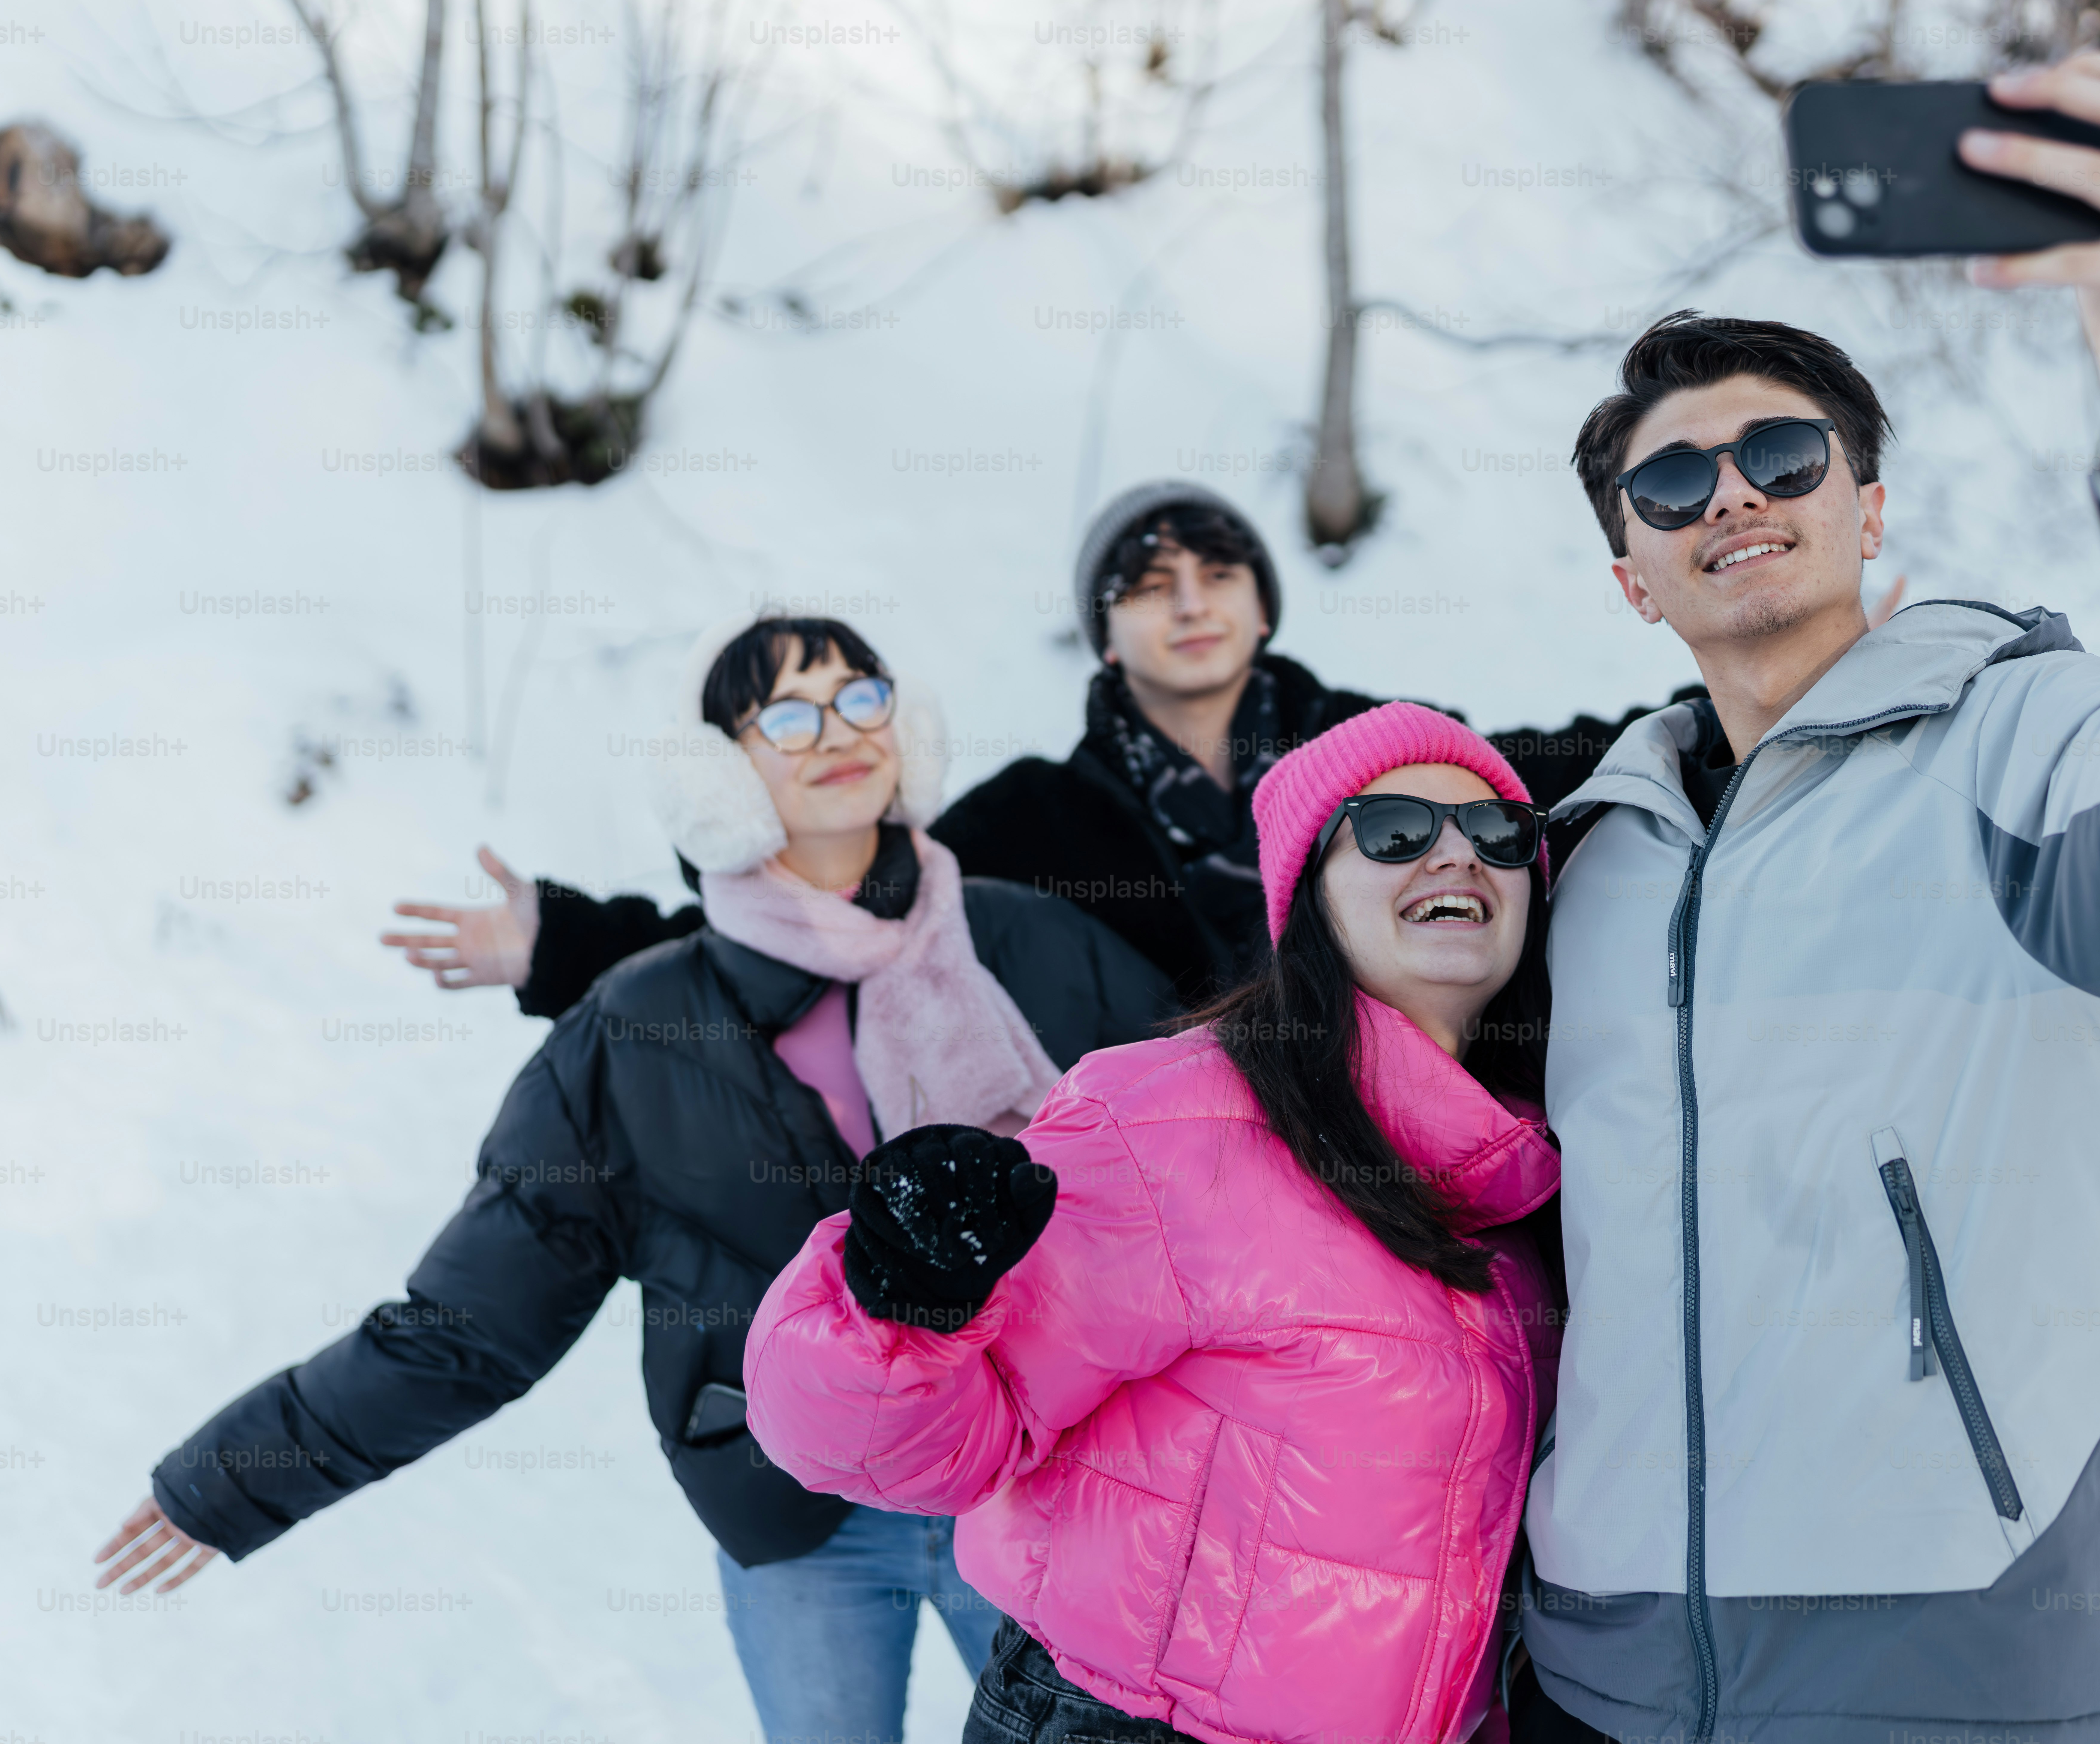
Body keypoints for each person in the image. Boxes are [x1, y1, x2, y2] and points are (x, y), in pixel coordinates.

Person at [1509, 55, 2100, 1744]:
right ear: (1633, 577)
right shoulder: (1594, 856)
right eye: (1673, 481)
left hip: (1954, 1661)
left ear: (1869, 505)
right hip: (1602, 1664)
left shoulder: (2014, 738)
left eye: (1785, 452)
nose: (1735, 494)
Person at [96, 615, 1180, 1744]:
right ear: (721, 776)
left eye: (862, 697)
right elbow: (472, 1325)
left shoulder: (1034, 941)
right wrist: (239, 1474)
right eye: (789, 715)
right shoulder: (639, 1027)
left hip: (1040, 1483)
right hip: (795, 1514)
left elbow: (1216, 1185)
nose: (838, 733)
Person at [741, 702, 1564, 1744]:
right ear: (1308, 894)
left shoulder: (1529, 1177)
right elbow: (896, 1447)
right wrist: (898, 1303)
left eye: (1497, 834)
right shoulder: (1172, 1120)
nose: (1456, 855)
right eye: (1397, 830)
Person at [379, 483, 1768, 1017]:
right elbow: (829, 907)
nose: (1188, 597)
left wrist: (1776, 677)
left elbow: (1589, 758)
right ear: (1106, 636)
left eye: (1217, 571)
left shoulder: (1382, 749)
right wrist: (563, 945)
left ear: (1263, 603)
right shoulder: (1042, 818)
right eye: (1147, 582)